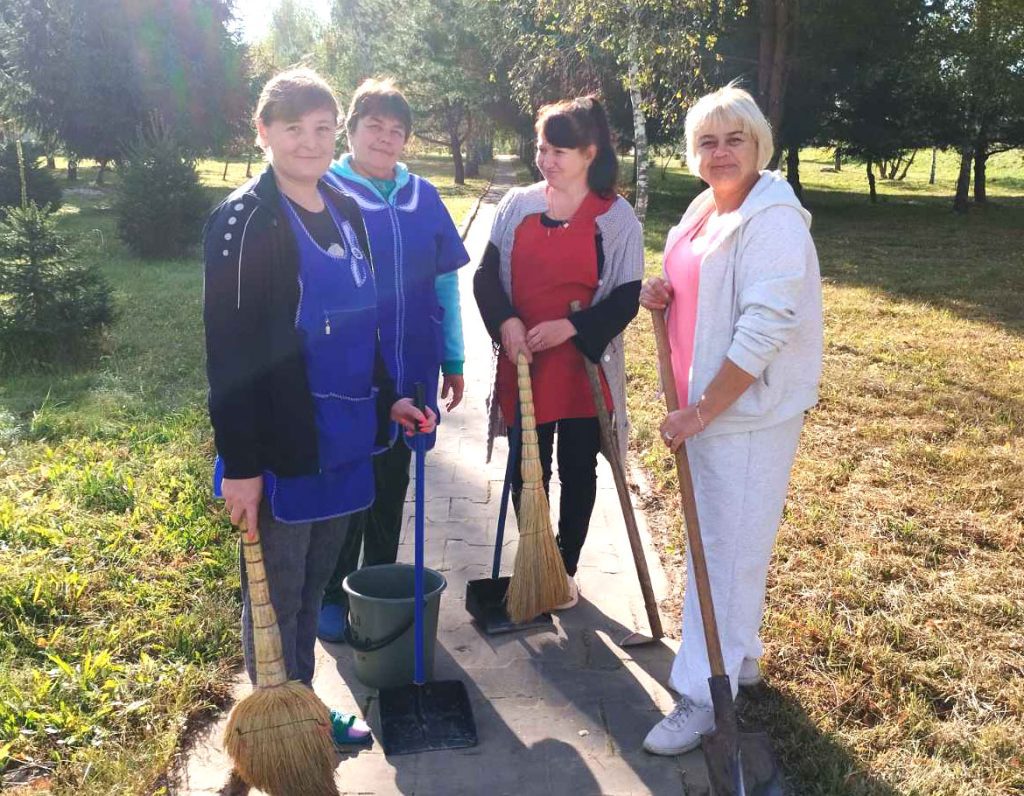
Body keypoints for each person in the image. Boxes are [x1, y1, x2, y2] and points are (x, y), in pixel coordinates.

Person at [202, 67, 435, 746]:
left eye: (321, 128)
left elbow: (362, 325)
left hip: (347, 441)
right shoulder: (244, 223)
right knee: (276, 593)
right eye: (293, 128)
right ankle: (279, 727)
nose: (309, 142)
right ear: (264, 132)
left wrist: (390, 398)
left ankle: (300, 709)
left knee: (315, 585)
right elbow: (231, 355)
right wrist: (242, 466)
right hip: (281, 447)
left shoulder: (345, 208)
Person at [639, 83, 823, 755]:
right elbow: (690, 282)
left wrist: (701, 412)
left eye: (734, 139)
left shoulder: (771, 218)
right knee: (720, 541)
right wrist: (662, 293)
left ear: (758, 146)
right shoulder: (702, 208)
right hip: (704, 408)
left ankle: (702, 694)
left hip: (742, 414)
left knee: (725, 551)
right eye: (707, 141)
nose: (720, 152)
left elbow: (764, 329)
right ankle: (736, 659)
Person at [474, 96, 643, 609]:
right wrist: (507, 323)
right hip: (525, 363)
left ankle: (563, 569)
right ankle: (534, 557)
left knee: (576, 469)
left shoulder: (616, 220)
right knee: (528, 467)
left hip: (581, 370)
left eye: (559, 151)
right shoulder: (517, 206)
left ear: (590, 152)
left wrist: (571, 327)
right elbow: (485, 277)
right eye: (541, 148)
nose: (545, 160)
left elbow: (625, 299)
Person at [317, 78, 470, 642]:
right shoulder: (326, 191)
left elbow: (445, 285)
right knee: (349, 487)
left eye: (396, 130)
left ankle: (376, 586)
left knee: (393, 481)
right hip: (351, 374)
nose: (385, 138)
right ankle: (332, 593)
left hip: (414, 366)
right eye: (374, 126)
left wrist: (453, 358)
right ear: (350, 130)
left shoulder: (422, 196)